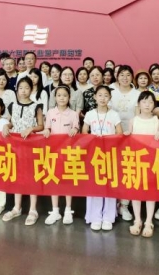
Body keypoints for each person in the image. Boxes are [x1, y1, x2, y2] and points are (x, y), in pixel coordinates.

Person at [1, 77, 44, 225]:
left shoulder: (37, 106)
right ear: (17, 90)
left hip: (31, 146)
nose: (23, 91)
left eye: (27, 88)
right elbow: (12, 122)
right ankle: (16, 207)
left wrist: (31, 128)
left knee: (32, 176)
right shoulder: (12, 105)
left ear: (31, 89)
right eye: (21, 88)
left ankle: (33, 209)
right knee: (17, 175)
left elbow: (41, 125)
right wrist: (6, 126)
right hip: (15, 147)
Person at [82, 85, 123, 231]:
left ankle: (108, 217)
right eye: (100, 95)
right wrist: (93, 138)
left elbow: (120, 133)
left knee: (109, 185)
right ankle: (95, 217)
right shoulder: (90, 114)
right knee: (95, 185)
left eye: (106, 95)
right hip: (94, 155)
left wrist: (108, 140)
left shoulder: (114, 115)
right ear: (94, 97)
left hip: (110, 154)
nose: (103, 98)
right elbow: (84, 131)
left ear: (110, 98)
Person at [126, 91, 159, 237]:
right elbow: (128, 138)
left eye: (150, 102)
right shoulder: (133, 121)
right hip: (136, 161)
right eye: (144, 101)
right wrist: (127, 134)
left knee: (150, 192)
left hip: (152, 161)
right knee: (136, 191)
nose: (147, 105)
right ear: (139, 104)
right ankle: (137, 220)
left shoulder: (157, 122)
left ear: (154, 105)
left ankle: (148, 221)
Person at [42, 85, 80, 226]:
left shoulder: (73, 114)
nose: (62, 98)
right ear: (55, 97)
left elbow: (76, 128)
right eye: (59, 95)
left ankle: (68, 210)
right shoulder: (50, 113)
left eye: (65, 95)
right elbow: (47, 127)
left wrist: (75, 129)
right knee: (54, 179)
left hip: (68, 153)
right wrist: (47, 130)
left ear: (69, 97)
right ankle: (55, 210)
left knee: (67, 180)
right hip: (53, 152)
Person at [110, 65, 140, 222]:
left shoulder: (137, 94)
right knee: (114, 170)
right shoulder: (111, 92)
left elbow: (138, 116)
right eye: (122, 75)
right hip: (113, 137)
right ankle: (112, 203)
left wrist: (133, 133)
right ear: (117, 76)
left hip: (131, 137)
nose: (125, 78)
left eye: (128, 75)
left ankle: (124, 205)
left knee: (128, 170)